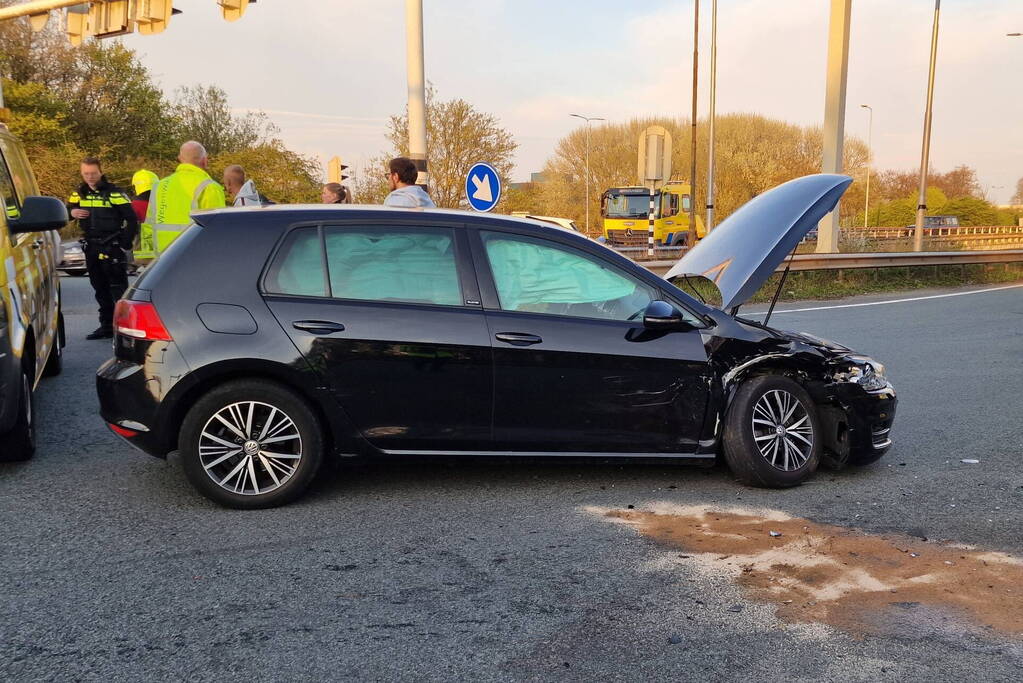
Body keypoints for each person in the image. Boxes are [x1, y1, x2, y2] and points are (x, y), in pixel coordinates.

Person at [68, 157, 138, 340]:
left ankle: (125, 330)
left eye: (93, 173)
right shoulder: (79, 193)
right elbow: (67, 211)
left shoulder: (114, 193)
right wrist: (72, 212)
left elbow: (131, 219)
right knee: (99, 288)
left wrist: (125, 244)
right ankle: (106, 326)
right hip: (91, 245)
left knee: (118, 289)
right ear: (81, 173)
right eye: (86, 174)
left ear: (101, 171)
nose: (90, 177)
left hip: (112, 246)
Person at [145, 141, 226, 256]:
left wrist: (146, 260)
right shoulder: (209, 187)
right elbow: (217, 230)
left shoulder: (159, 186)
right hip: (193, 259)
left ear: (179, 158)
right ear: (205, 161)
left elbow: (148, 226)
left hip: (161, 262)